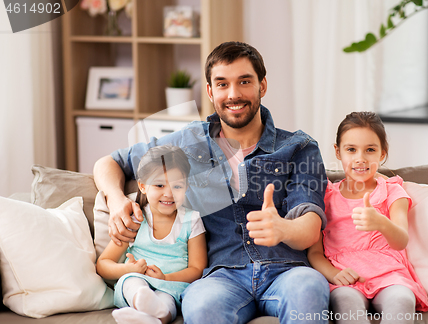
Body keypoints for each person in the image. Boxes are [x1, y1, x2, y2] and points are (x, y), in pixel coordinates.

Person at [93, 41, 330, 323]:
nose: (233, 94)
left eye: (244, 81)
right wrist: (117, 199)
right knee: (202, 307)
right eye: (222, 84)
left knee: (310, 288)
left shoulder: (299, 148)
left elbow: (310, 228)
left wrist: (283, 228)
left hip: (287, 270)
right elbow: (109, 163)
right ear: (210, 91)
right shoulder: (187, 141)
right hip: (220, 276)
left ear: (262, 86)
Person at [307, 112, 428, 323]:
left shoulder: (392, 190)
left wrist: (380, 222)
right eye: (351, 150)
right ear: (338, 152)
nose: (360, 158)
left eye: (370, 150)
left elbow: (401, 240)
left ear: (383, 153)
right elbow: (315, 252)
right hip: (346, 278)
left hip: (389, 275)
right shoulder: (325, 195)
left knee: (401, 300)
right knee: (345, 303)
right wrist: (333, 274)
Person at [96, 145, 207, 324]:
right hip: (138, 278)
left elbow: (198, 268)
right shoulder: (135, 220)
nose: (169, 193)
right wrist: (127, 270)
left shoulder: (191, 220)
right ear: (143, 186)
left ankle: (155, 317)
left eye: (177, 186)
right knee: (133, 283)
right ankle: (142, 305)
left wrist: (165, 278)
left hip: (172, 285)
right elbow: (103, 264)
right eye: (159, 185)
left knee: (167, 300)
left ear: (186, 187)